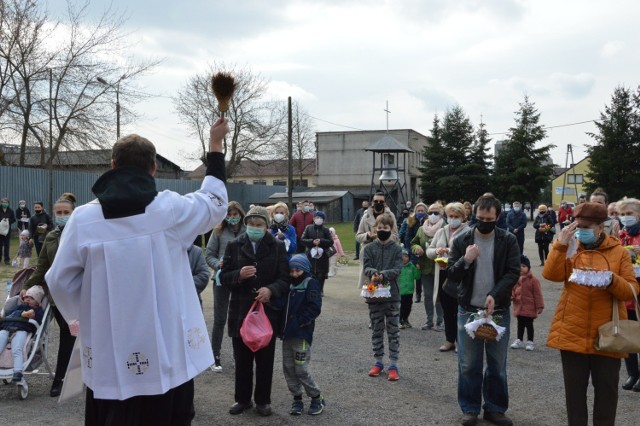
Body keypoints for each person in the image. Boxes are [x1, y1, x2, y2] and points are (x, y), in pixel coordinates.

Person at [46, 119, 229, 424]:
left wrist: (87, 314)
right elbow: (215, 202)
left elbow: (59, 280)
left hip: (110, 355)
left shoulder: (84, 219)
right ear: (154, 169)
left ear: (112, 165)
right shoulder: (171, 210)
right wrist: (215, 146)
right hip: (167, 358)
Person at [543, 202, 639, 426]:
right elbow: (551, 275)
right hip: (571, 332)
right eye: (578, 226)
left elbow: (632, 290)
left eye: (586, 227)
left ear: (600, 227)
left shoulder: (618, 252)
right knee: (574, 396)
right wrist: (560, 246)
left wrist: (611, 280)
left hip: (608, 335)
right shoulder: (570, 248)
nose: (581, 231)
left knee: (606, 394)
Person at [446, 194, 520, 426]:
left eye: (489, 218)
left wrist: (494, 294)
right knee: (469, 363)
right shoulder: (462, 239)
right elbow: (452, 274)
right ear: (473, 215)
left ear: (497, 217)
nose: (484, 222)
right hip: (468, 308)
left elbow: (512, 272)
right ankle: (469, 408)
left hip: (497, 310)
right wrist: (466, 260)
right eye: (479, 218)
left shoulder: (508, 240)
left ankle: (495, 408)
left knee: (497, 364)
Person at [221, 205, 289, 417]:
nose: (255, 228)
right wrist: (238, 275)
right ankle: (242, 399)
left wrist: (271, 290)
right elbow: (223, 277)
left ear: (266, 227)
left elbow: (285, 278)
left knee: (265, 360)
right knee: (241, 359)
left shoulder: (277, 246)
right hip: (241, 311)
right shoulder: (234, 245)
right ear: (246, 225)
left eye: (259, 225)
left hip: (266, 313)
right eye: (251, 224)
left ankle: (262, 401)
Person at [22, 193, 78, 397]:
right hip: (58, 296)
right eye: (59, 213)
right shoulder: (51, 237)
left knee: (83, 336)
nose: (62, 215)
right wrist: (27, 286)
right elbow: (42, 266)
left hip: (80, 294)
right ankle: (61, 378)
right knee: (67, 334)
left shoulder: (82, 234)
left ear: (74, 213)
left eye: (66, 212)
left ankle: (88, 376)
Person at [277, 254, 325, 416]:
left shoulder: (310, 283)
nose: (294, 274)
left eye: (297, 270)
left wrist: (299, 322)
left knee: (301, 369)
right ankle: (297, 398)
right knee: (288, 368)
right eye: (291, 271)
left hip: (301, 335)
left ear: (304, 269)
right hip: (287, 336)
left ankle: (316, 396)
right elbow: (281, 304)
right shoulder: (288, 285)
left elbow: (314, 307)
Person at [205, 201, 246, 373]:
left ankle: (241, 356)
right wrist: (218, 265)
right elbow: (209, 255)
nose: (232, 218)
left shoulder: (247, 231)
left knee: (240, 318)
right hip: (221, 280)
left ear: (241, 215)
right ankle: (215, 356)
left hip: (241, 279)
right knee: (220, 319)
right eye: (228, 215)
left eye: (235, 215)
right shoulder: (218, 232)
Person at [362, 213, 403, 381]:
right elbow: (366, 267)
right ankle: (378, 361)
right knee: (377, 329)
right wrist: (373, 273)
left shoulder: (397, 248)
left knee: (393, 330)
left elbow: (398, 268)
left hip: (392, 296)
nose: (382, 230)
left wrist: (383, 274)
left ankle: (393, 364)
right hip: (374, 296)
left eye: (385, 228)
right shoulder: (369, 248)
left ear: (391, 229)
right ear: (374, 229)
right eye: (379, 228)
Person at [427, 202, 470, 352]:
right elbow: (429, 250)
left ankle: (461, 340)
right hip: (442, 273)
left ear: (463, 217)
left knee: (460, 309)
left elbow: (468, 254)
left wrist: (449, 251)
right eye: (450, 216)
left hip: (458, 275)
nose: (452, 219)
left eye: (456, 216)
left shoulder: (468, 232)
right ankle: (449, 339)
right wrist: (437, 251)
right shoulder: (441, 231)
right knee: (447, 309)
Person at [616, 197, 640, 392]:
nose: (625, 218)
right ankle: (633, 373)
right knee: (628, 338)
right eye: (622, 214)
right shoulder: (620, 235)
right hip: (626, 295)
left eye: (629, 214)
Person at [0, 285, 45, 383]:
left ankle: (18, 371)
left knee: (17, 349)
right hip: (6, 328)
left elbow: (39, 323)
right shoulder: (19, 307)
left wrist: (33, 317)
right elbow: (9, 316)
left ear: (38, 302)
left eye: (31, 298)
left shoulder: (37, 311)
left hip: (21, 330)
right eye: (26, 297)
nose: (28, 300)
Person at [411, 203, 444, 331]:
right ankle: (429, 320)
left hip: (440, 267)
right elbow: (413, 243)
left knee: (439, 295)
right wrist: (416, 248)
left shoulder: (445, 228)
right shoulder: (421, 229)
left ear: (441, 214)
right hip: (425, 267)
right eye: (430, 213)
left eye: (436, 213)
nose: (432, 215)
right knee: (428, 295)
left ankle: (440, 321)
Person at [356, 192, 398, 288]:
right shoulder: (365, 216)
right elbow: (358, 236)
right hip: (369, 252)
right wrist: (368, 235)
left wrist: (383, 236)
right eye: (376, 201)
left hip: (386, 252)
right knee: (369, 283)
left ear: (385, 203)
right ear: (372, 202)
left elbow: (396, 236)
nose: (378, 203)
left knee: (384, 283)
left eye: (381, 201)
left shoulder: (390, 216)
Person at [509, 255, 544, 351]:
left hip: (530, 307)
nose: (521, 268)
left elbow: (538, 294)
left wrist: (540, 306)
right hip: (519, 306)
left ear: (528, 267)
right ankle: (519, 339)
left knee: (529, 325)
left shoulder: (533, 280)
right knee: (520, 324)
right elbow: (512, 289)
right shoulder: (515, 279)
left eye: (524, 266)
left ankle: (530, 341)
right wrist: (511, 296)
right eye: (519, 266)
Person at [301, 211, 333, 295]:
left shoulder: (326, 230)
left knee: (321, 274)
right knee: (311, 272)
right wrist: (312, 242)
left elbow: (331, 242)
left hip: (322, 256)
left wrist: (321, 241)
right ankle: (311, 289)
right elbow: (303, 240)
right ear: (314, 218)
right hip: (310, 255)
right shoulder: (308, 228)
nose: (318, 219)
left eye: (321, 218)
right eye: (317, 217)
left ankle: (320, 289)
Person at [399, 202, 426, 303]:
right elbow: (408, 237)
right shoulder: (411, 221)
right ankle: (418, 293)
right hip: (415, 249)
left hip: (427, 248)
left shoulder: (427, 220)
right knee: (417, 271)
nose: (420, 212)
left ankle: (427, 291)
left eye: (422, 211)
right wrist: (413, 249)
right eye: (418, 211)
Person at [398, 249, 421, 329]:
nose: (404, 258)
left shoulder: (411, 266)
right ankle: (399, 320)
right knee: (401, 306)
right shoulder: (398, 267)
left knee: (408, 306)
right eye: (402, 256)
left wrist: (418, 269)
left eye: (406, 256)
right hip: (400, 291)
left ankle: (405, 319)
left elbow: (417, 277)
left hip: (409, 291)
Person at [0, 197, 16, 265]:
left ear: (8, 203)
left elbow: (14, 219)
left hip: (7, 230)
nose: (4, 203)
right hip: (0, 230)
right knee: (0, 245)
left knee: (7, 245)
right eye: (3, 202)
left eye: (6, 202)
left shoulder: (11, 210)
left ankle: (7, 260)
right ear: (1, 203)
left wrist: (8, 220)